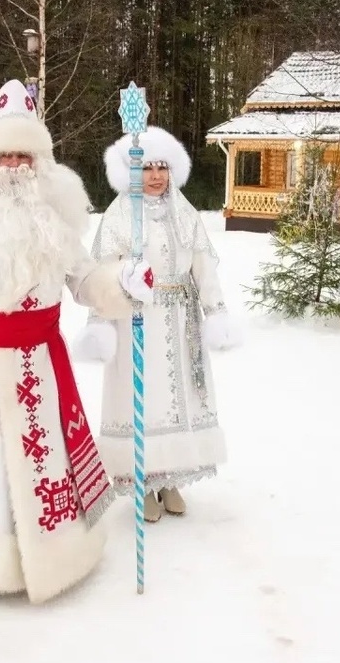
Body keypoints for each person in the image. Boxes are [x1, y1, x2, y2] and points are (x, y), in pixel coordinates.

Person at [0, 79, 154, 603]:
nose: (13, 164)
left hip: (43, 366)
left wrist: (122, 283)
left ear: (40, 160)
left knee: (48, 463)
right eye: (4, 153)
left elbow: (85, 281)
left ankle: (62, 555)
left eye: (24, 154)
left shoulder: (57, 221)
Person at [73, 126, 240, 522]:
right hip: (136, 319)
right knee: (144, 400)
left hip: (181, 321)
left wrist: (215, 312)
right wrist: (102, 316)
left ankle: (170, 479)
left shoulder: (184, 212)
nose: (155, 176)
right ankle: (142, 481)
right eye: (147, 168)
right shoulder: (119, 215)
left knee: (178, 400)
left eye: (162, 167)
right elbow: (100, 275)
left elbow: (203, 266)